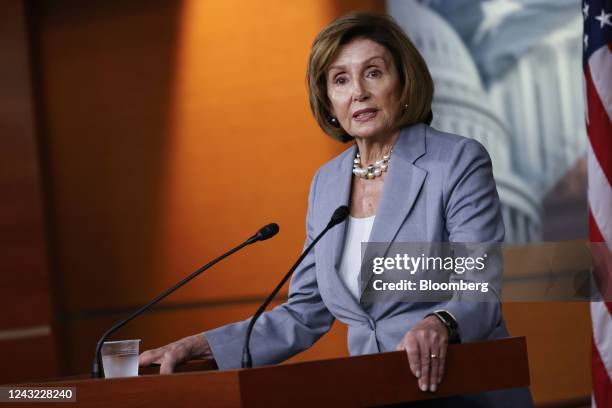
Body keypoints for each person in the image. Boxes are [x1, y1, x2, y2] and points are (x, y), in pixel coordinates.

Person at [140, 12, 533, 407]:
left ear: (404, 83)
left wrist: (439, 323)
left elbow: (478, 286)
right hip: (377, 393)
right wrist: (205, 345)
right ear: (329, 101)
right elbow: (303, 313)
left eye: (374, 73)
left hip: (465, 392)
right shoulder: (327, 184)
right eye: (341, 80)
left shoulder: (456, 161)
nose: (358, 92)